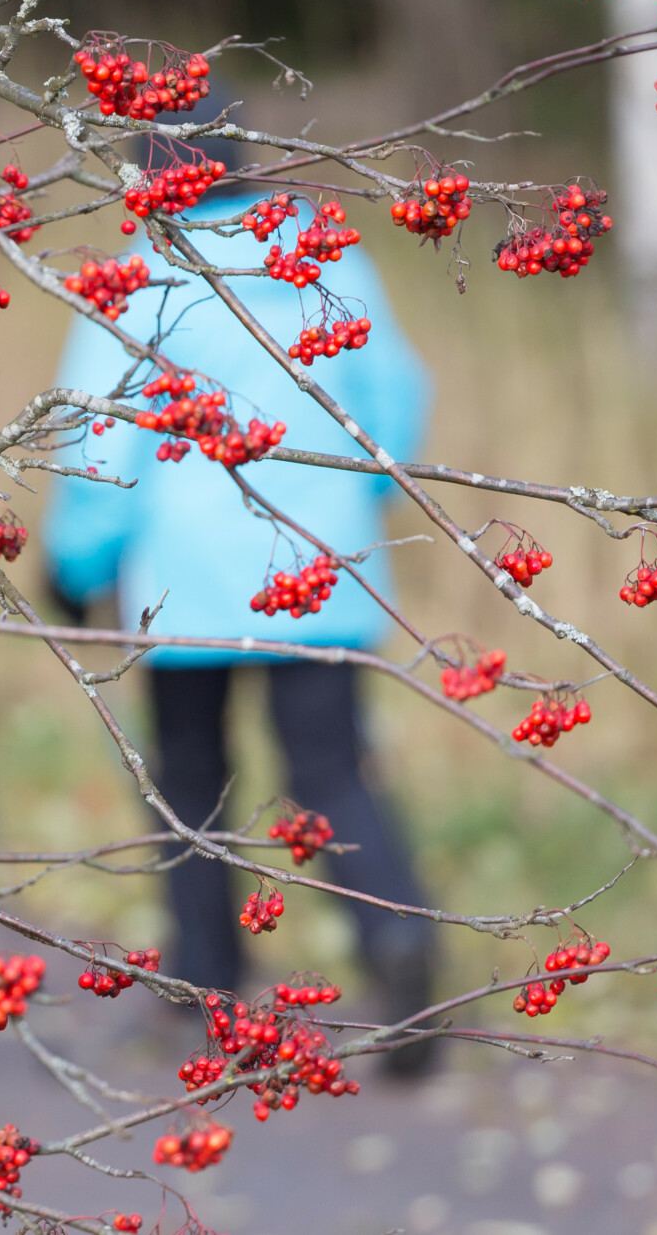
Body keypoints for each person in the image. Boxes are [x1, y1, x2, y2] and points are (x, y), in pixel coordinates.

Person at [42, 171, 440, 1068]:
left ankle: (203, 984)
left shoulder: (142, 275)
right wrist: (355, 499)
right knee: (335, 774)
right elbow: (397, 400)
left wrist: (77, 562)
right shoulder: (327, 257)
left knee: (192, 783)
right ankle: (398, 943)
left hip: (183, 577)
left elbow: (100, 436)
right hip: (319, 558)